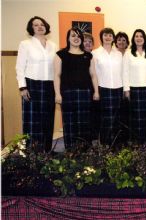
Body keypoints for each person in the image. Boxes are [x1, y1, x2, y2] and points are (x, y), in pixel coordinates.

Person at [54, 27, 100, 149]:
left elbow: (93, 75)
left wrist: (96, 91)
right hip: (67, 93)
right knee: (70, 123)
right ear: (68, 38)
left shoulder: (88, 55)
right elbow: (57, 75)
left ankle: (85, 151)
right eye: (73, 35)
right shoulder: (61, 54)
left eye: (79, 36)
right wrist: (57, 94)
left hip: (85, 93)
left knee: (85, 123)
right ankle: (70, 151)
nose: (76, 38)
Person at [16, 16, 57, 152]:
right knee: (33, 122)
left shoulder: (53, 45)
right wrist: (22, 87)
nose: (40, 27)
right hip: (31, 85)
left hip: (49, 85)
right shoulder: (25, 44)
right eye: (36, 25)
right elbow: (20, 67)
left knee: (48, 120)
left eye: (42, 24)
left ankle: (46, 152)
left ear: (46, 27)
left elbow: (56, 68)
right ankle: (32, 154)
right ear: (31, 28)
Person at [122, 29, 146, 144]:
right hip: (134, 89)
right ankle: (137, 140)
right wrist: (126, 89)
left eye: (141, 36)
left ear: (144, 38)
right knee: (136, 116)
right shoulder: (128, 53)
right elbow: (125, 72)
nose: (138, 38)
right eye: (136, 36)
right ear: (133, 39)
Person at [92, 28, 123, 145]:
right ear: (101, 37)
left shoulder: (119, 54)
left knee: (116, 118)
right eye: (105, 35)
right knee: (105, 118)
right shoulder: (95, 53)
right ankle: (105, 144)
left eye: (110, 35)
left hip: (118, 88)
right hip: (103, 88)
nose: (108, 37)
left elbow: (122, 72)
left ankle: (116, 144)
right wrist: (96, 91)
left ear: (113, 38)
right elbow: (93, 74)